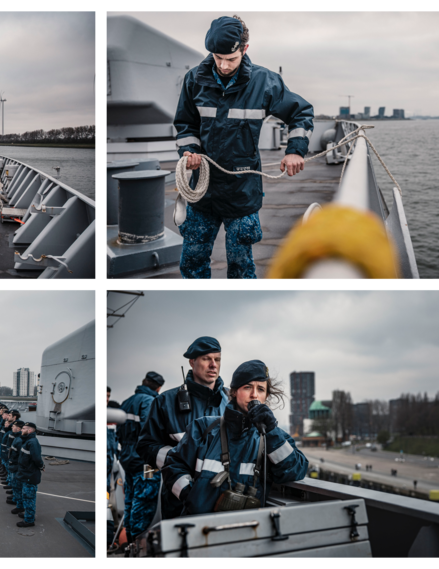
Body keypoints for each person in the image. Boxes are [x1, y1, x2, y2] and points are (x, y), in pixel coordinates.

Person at [173, 15, 314, 281]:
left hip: (242, 193)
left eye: (231, 59)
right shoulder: (194, 80)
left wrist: (295, 150)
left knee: (241, 268)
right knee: (192, 263)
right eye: (218, 58)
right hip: (203, 195)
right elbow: (185, 125)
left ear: (244, 49)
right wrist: (189, 151)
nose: (224, 66)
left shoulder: (265, 82)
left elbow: (301, 113)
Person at [164, 360, 308, 515]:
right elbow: (173, 465)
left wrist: (271, 431)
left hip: (248, 529)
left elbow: (295, 471)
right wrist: (189, 495)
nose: (254, 395)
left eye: (260, 389)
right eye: (247, 387)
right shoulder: (204, 428)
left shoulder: (274, 437)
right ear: (233, 392)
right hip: (200, 527)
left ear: (266, 396)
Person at [137, 336, 230, 520]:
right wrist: (180, 469)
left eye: (217, 359)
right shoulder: (165, 402)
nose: (213, 365)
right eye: (206, 359)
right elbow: (146, 446)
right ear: (192, 361)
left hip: (223, 497)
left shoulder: (231, 403)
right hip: (179, 499)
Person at [117, 372, 163, 541]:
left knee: (130, 498)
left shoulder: (126, 402)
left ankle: (128, 536)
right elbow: (150, 432)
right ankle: (137, 541)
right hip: (146, 463)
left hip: (128, 460)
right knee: (144, 500)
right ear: (158, 388)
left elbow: (119, 433)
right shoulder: (150, 401)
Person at [15, 422, 45, 528]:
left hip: (30, 475)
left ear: (30, 430)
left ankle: (29, 520)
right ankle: (28, 514)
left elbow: (37, 458)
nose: (21, 430)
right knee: (26, 496)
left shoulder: (32, 442)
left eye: (24, 429)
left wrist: (41, 466)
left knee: (29, 497)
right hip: (25, 474)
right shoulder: (27, 441)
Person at [7, 421, 26, 509]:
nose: (12, 427)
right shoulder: (17, 438)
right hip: (13, 465)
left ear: (18, 428)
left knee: (18, 486)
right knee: (15, 485)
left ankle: (19, 505)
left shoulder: (19, 440)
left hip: (16, 466)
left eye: (13, 426)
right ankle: (16, 500)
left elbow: (20, 456)